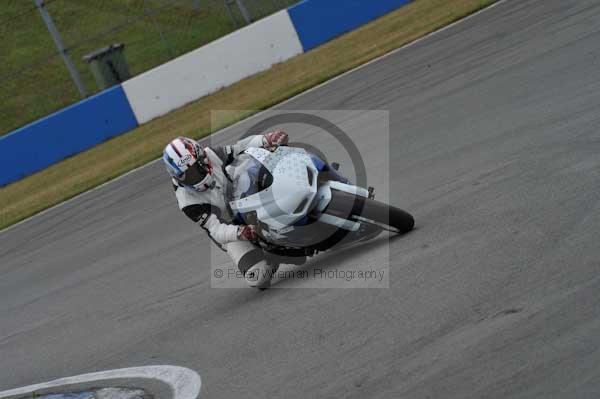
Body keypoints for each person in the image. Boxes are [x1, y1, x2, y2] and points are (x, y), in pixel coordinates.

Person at [162, 131, 289, 288]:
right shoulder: (187, 201)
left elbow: (240, 148)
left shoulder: (212, 155)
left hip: (245, 202)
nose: (193, 177)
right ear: (177, 177)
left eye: (195, 170)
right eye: (186, 176)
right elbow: (216, 230)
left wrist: (265, 139)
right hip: (230, 228)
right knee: (258, 277)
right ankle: (270, 256)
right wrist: (240, 232)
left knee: (255, 169)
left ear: (202, 159)